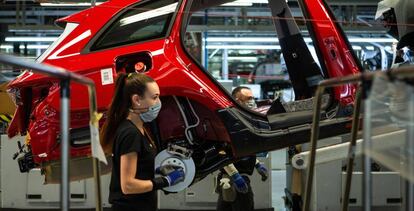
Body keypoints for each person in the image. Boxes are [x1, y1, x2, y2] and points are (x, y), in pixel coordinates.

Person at [101, 72, 185, 211]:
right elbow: (128, 186)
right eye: (154, 98)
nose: (158, 103)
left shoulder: (141, 129)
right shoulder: (130, 133)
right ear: (137, 100)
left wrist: (159, 170)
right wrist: (165, 181)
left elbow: (140, 167)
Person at [215, 86, 269, 211]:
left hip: (232, 179)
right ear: (237, 101)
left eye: (253, 98)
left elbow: (242, 149)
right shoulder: (229, 121)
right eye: (248, 98)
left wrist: (257, 164)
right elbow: (222, 152)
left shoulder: (243, 119)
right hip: (235, 179)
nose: (252, 101)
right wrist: (235, 176)